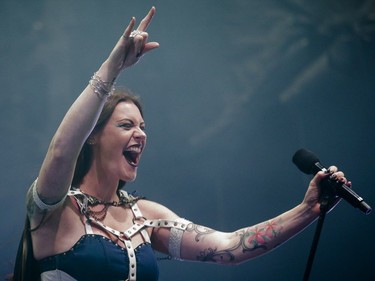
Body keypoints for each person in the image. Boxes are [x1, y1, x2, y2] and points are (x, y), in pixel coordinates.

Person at [11, 6, 350, 281]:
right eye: (127, 125)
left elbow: (230, 247)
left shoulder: (146, 217)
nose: (141, 134)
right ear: (93, 136)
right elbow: (61, 150)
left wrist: (308, 210)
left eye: (143, 127)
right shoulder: (54, 208)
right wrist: (113, 68)